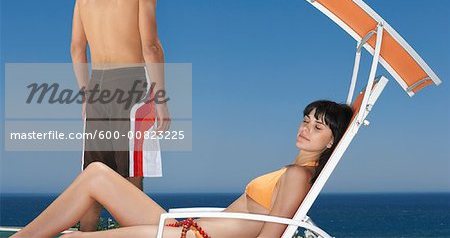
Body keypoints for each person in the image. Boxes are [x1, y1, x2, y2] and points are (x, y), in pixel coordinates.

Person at [12, 100, 353, 238]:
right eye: (306, 120)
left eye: (318, 127)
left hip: (191, 236)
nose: (306, 128)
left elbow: (271, 236)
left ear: (330, 143)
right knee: (97, 173)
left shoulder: (297, 176)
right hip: (186, 228)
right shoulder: (291, 170)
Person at [70, 0, 170, 231]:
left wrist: (86, 93)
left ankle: (85, 235)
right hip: (132, 85)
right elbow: (151, 47)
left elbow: (77, 48)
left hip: (98, 85)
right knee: (132, 178)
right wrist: (161, 100)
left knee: (93, 176)